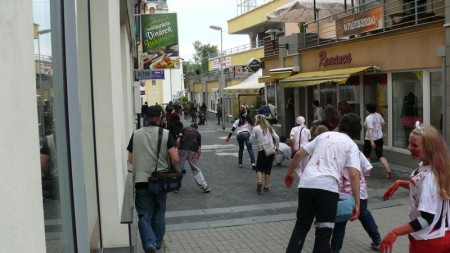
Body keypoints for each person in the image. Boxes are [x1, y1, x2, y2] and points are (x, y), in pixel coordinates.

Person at [284, 113, 362, 253]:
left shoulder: (323, 136)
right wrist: (357, 202)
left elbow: (298, 154)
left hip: (306, 184)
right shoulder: (351, 145)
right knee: (324, 231)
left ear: (341, 124)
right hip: (328, 188)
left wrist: (290, 173)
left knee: (301, 227)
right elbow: (354, 174)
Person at [381, 122, 450, 253]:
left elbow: (426, 219)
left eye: (414, 145)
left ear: (430, 148)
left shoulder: (430, 177)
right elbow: (427, 191)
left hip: (429, 240)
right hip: (440, 236)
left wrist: (395, 232)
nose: (408, 147)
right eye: (409, 143)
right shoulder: (433, 167)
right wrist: (400, 183)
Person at [126, 105, 179, 253]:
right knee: (159, 211)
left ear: (146, 119)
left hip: (141, 181)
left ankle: (149, 243)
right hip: (161, 181)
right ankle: (157, 243)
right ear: (159, 118)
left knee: (144, 214)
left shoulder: (135, 134)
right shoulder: (166, 134)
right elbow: (175, 159)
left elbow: (130, 159)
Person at [330, 151, 382, 252]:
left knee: (340, 223)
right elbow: (367, 169)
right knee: (364, 214)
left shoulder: (333, 152)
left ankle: (335, 250)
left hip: (343, 193)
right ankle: (377, 240)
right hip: (360, 191)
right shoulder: (355, 151)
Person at [177, 123, 211, 193]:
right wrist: (197, 157)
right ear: (197, 128)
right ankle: (204, 186)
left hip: (182, 149)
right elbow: (199, 149)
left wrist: (178, 150)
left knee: (178, 168)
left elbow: (178, 141)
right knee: (195, 169)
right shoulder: (198, 134)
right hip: (192, 151)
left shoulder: (184, 129)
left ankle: (176, 186)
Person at [250, 114, 280, 193]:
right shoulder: (269, 127)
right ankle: (266, 186)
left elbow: (250, 140)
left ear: (257, 120)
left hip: (262, 149)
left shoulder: (256, 128)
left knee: (259, 167)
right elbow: (277, 137)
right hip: (270, 149)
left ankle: (260, 181)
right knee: (268, 168)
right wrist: (276, 147)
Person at [363, 103, 392, 179]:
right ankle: (388, 170)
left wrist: (372, 141)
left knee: (367, 155)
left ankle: (368, 172)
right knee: (380, 155)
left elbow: (370, 129)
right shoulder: (378, 115)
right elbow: (383, 123)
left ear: (367, 109)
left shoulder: (368, 118)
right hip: (380, 137)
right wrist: (380, 130)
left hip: (370, 139)